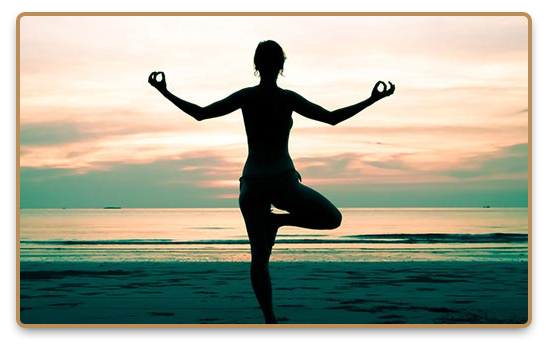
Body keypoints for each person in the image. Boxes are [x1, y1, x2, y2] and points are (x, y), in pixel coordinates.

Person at [148, 40, 395, 324]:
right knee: (332, 218)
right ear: (281, 65)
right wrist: (372, 100)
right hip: (282, 181)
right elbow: (332, 119)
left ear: (256, 65)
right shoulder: (287, 98)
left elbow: (200, 113)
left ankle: (270, 319)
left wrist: (164, 92)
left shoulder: (247, 96)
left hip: (251, 183)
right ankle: (278, 222)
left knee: (260, 257)